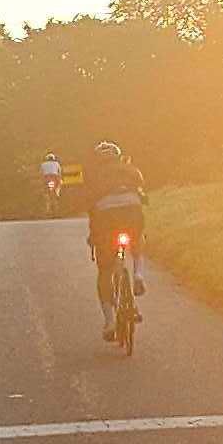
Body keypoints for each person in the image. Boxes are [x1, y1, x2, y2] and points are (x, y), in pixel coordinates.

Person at [82, 138, 147, 338]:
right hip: (131, 208)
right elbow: (142, 190)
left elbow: (91, 207)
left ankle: (110, 322)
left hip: (105, 215)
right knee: (137, 239)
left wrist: (93, 236)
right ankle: (138, 275)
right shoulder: (131, 170)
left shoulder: (93, 176)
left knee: (105, 270)